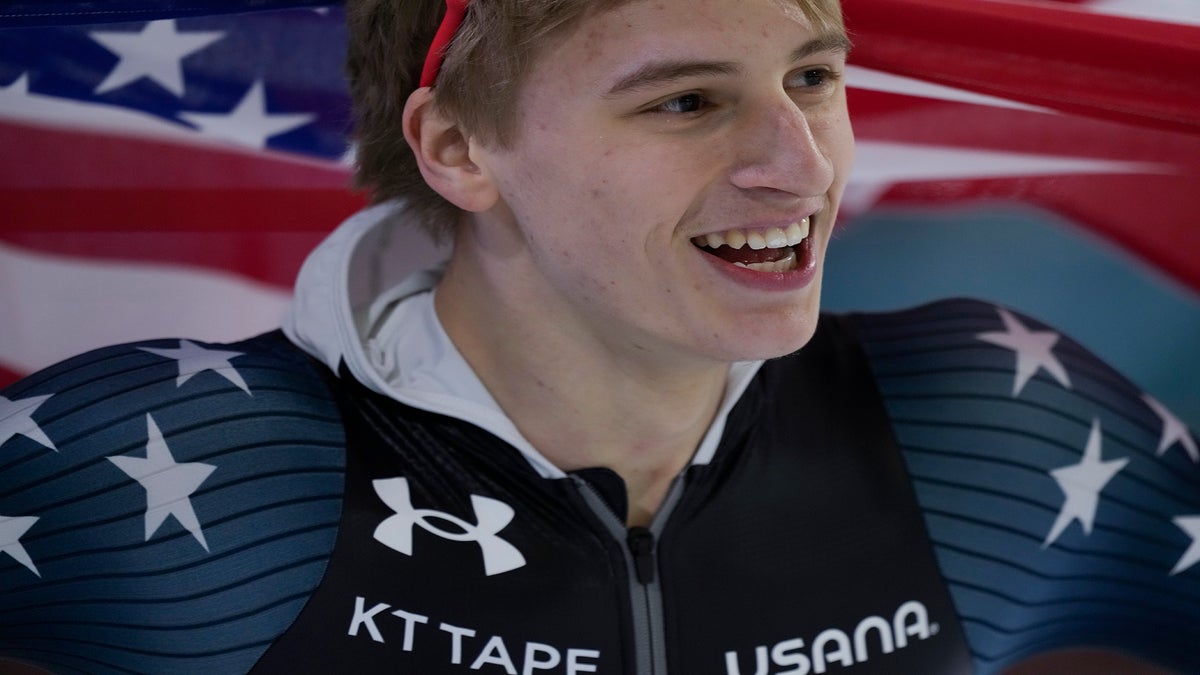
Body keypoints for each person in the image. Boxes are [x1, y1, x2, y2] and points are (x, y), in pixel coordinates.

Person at [1, 0, 1197, 673]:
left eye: (815, 78)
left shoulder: (988, 422)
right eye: (685, 100)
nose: (804, 165)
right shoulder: (179, 468)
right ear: (458, 148)